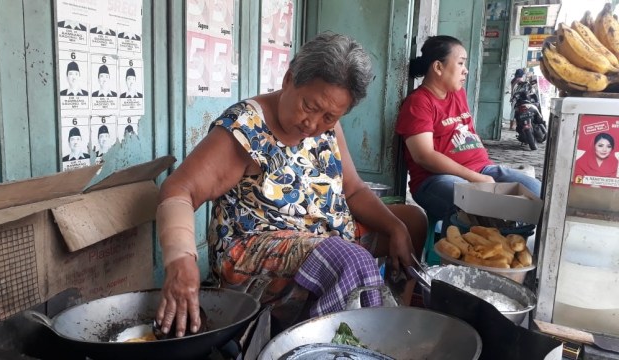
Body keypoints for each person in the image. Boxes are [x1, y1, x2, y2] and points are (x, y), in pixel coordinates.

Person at [155, 32, 427, 338]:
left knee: (411, 223)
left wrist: (394, 227)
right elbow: (179, 190)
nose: (313, 124)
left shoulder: (327, 125)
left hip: (323, 234)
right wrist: (181, 260)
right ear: (288, 79)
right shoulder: (246, 129)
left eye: (329, 116)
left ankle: (389, 324)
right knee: (349, 259)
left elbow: (353, 190)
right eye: (309, 107)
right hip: (255, 248)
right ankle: (341, 345)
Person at [395, 35, 541, 227]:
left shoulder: (458, 93)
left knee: (538, 193)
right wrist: (476, 178)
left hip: (484, 169)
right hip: (436, 180)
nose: (466, 71)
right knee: (478, 205)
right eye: (461, 63)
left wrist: (481, 175)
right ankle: (463, 254)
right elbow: (424, 156)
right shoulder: (419, 103)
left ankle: (515, 246)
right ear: (438, 67)